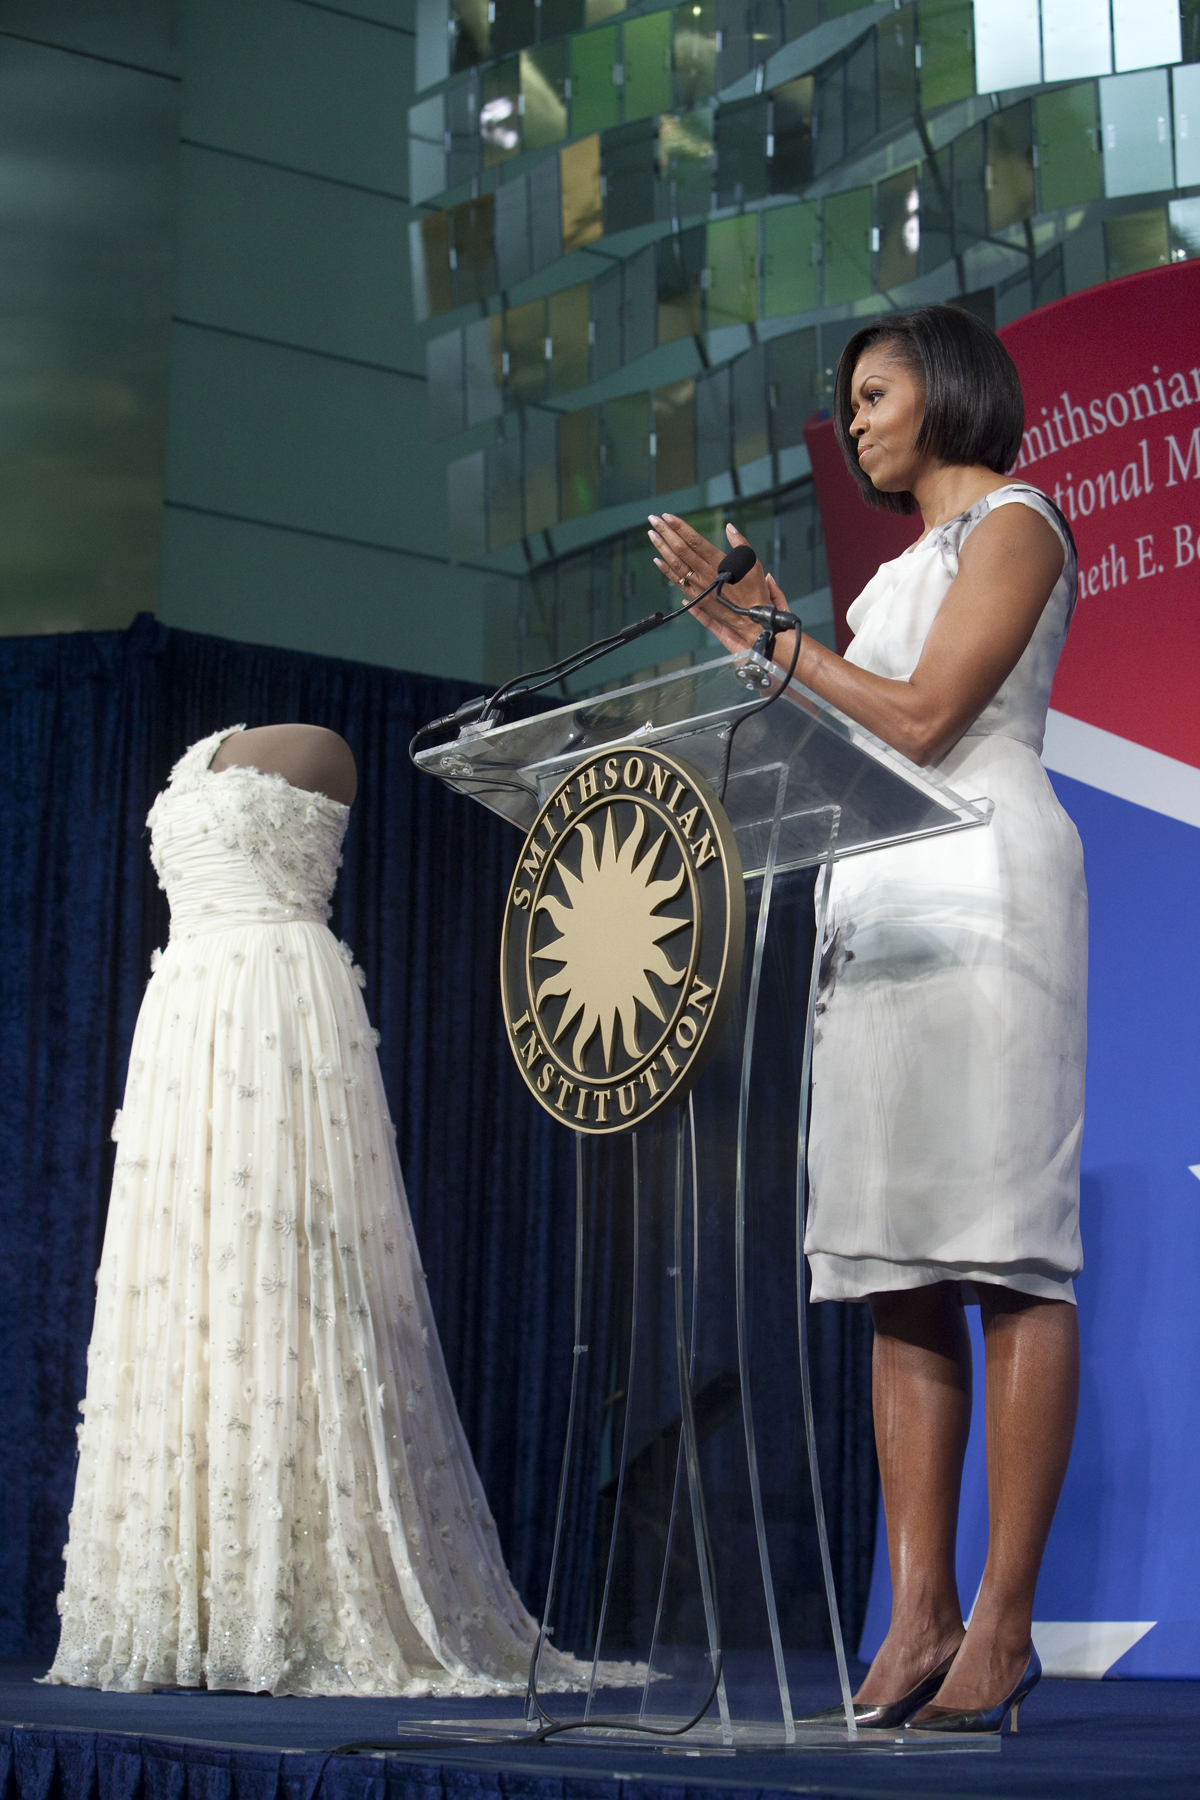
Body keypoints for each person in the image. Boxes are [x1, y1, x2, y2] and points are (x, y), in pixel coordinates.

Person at [645, 305, 1085, 1735]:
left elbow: (918, 718)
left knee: (1006, 1249)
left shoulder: (1017, 524)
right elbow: (837, 726)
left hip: (988, 889)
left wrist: (774, 633)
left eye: (877, 390)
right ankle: (916, 1617)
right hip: (882, 908)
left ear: (949, 390)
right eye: (850, 398)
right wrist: (751, 636)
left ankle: (1003, 1625)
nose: (857, 417)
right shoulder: (892, 569)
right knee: (896, 1260)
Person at [48, 722, 582, 1696]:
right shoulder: (196, 759)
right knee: (190, 1287)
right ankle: (189, 1599)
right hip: (185, 1018)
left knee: (287, 1287)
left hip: (272, 1010)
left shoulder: (321, 752)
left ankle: (287, 1593)